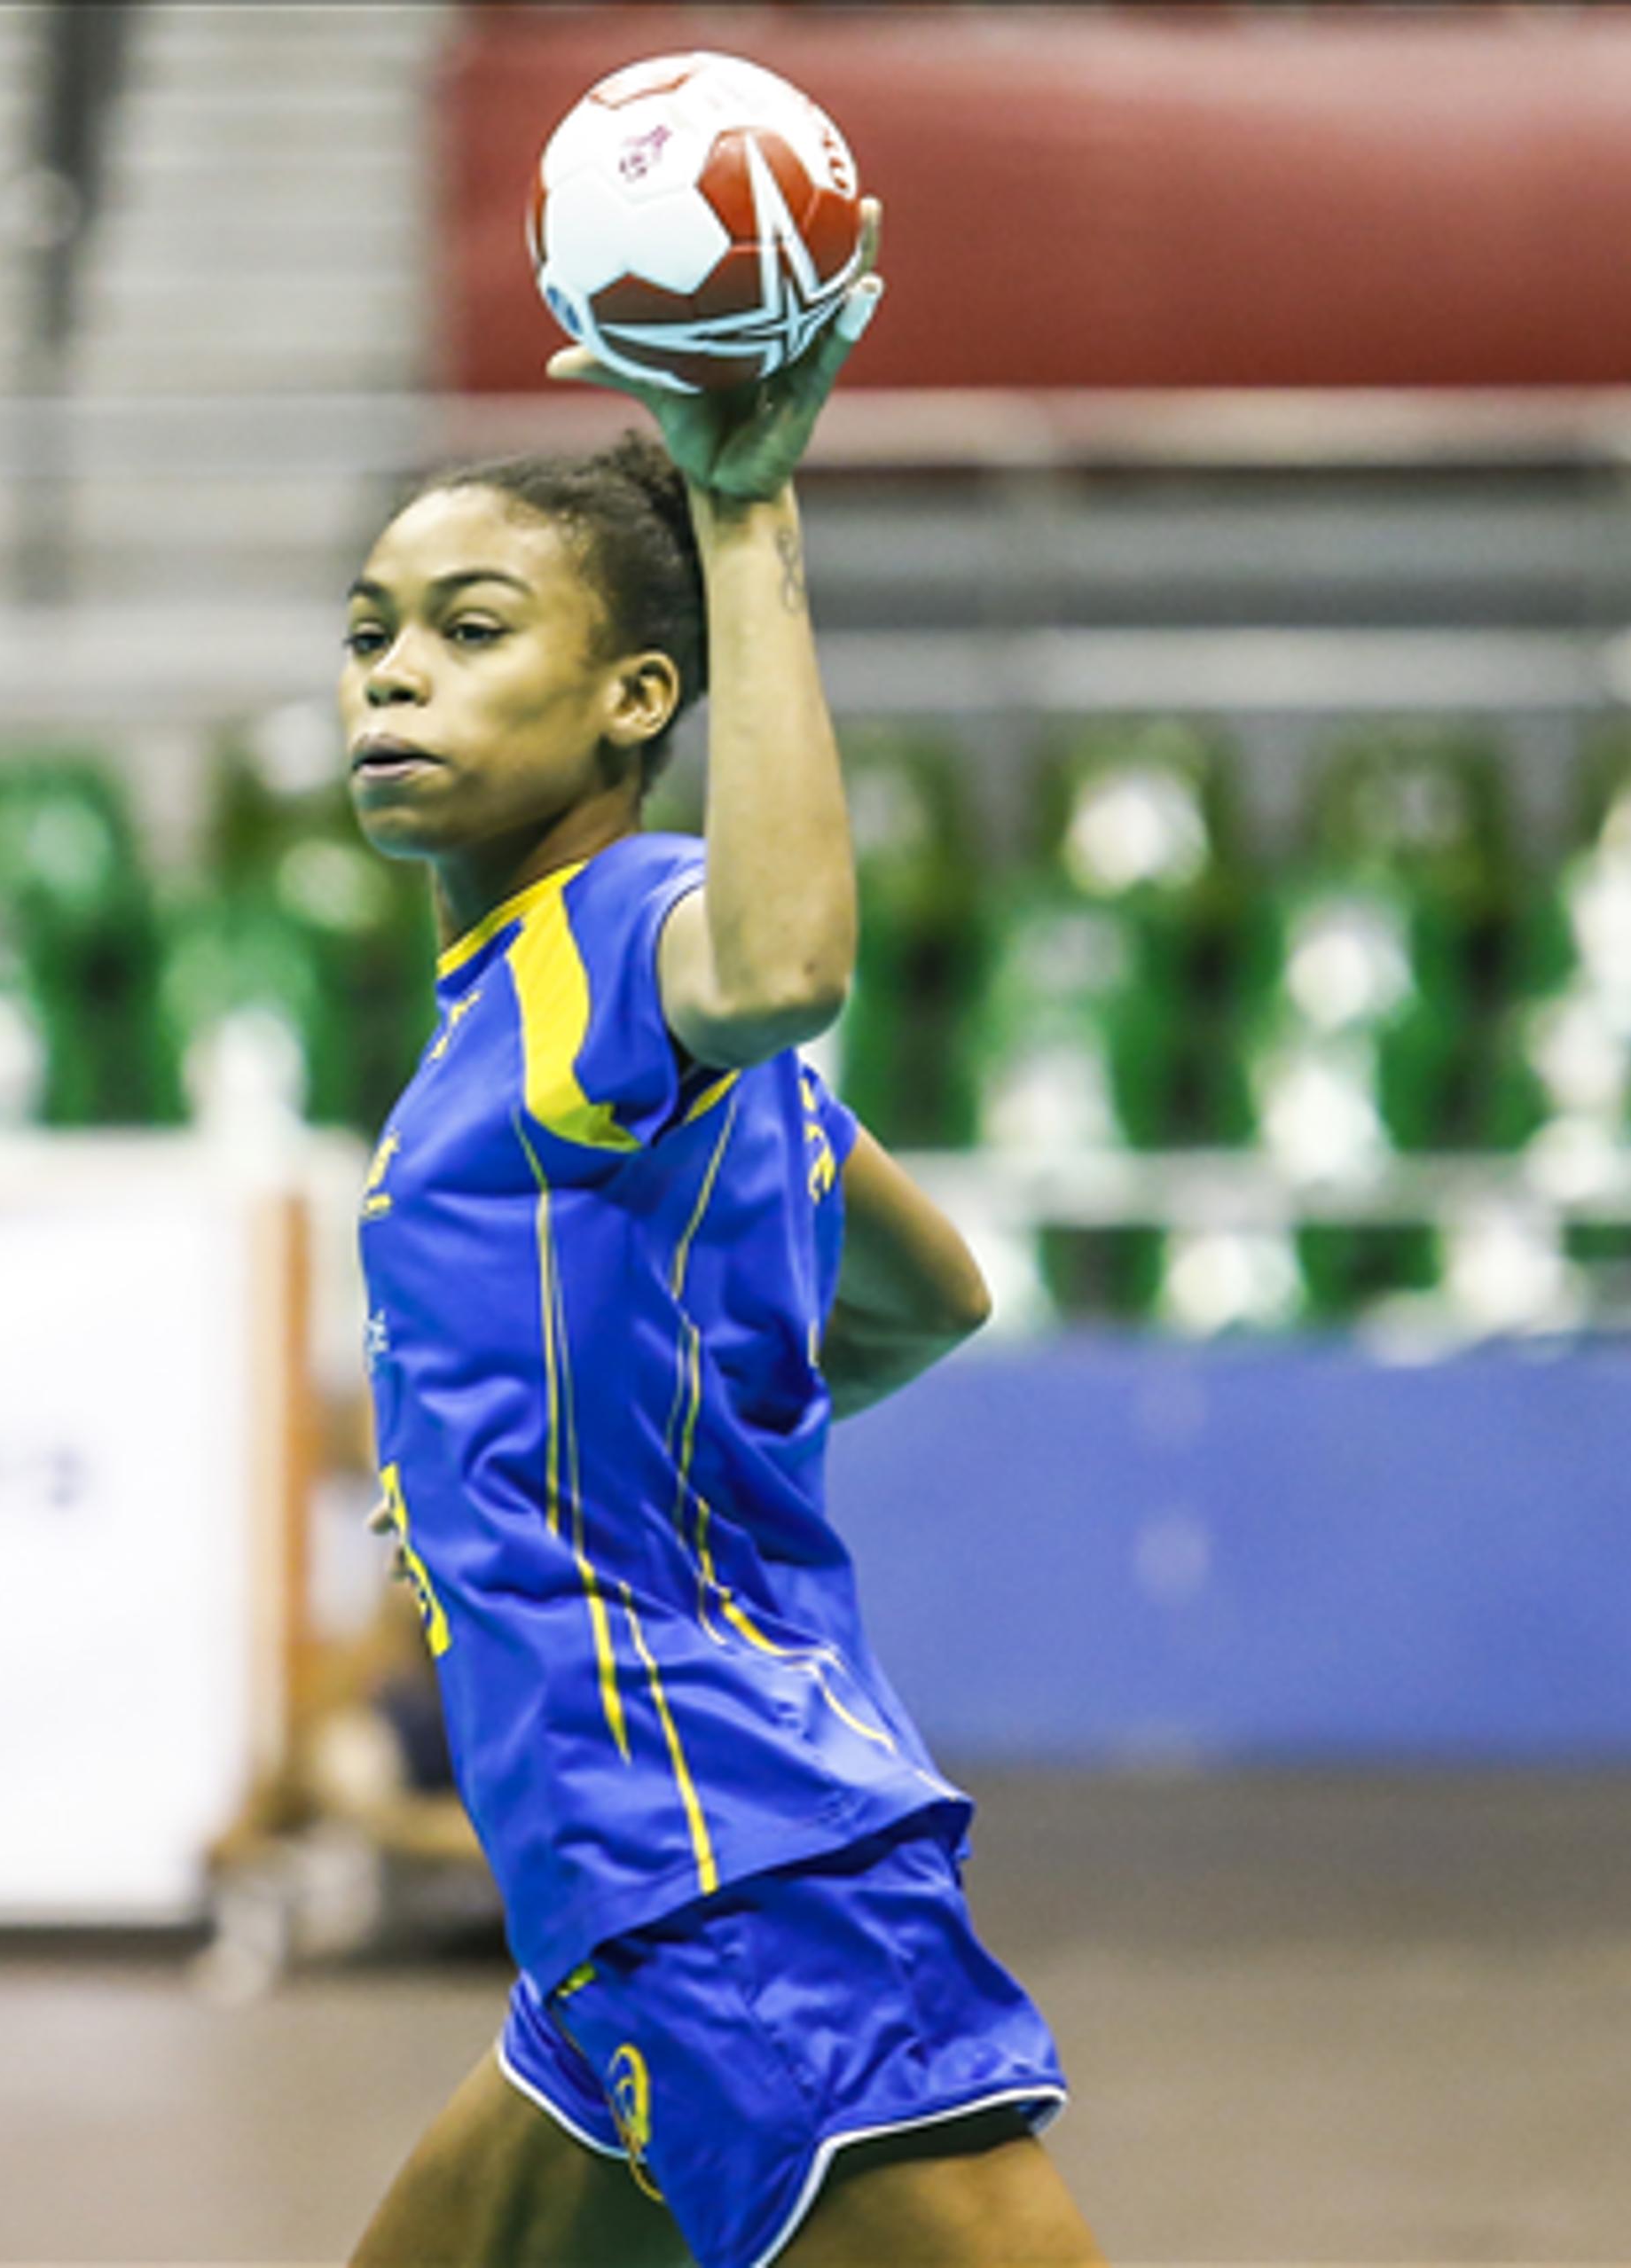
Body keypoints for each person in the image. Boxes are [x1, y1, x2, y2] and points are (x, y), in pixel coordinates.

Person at [339, 208, 1106, 2268]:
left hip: (730, 1878)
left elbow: (778, 959)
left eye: (474, 627)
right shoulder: (567, 1031)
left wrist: (746, 511)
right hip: (619, 1883)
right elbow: (932, 1291)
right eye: (374, 630)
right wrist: (697, 1430)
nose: (399, 667)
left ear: (632, 698)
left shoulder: (615, 948)